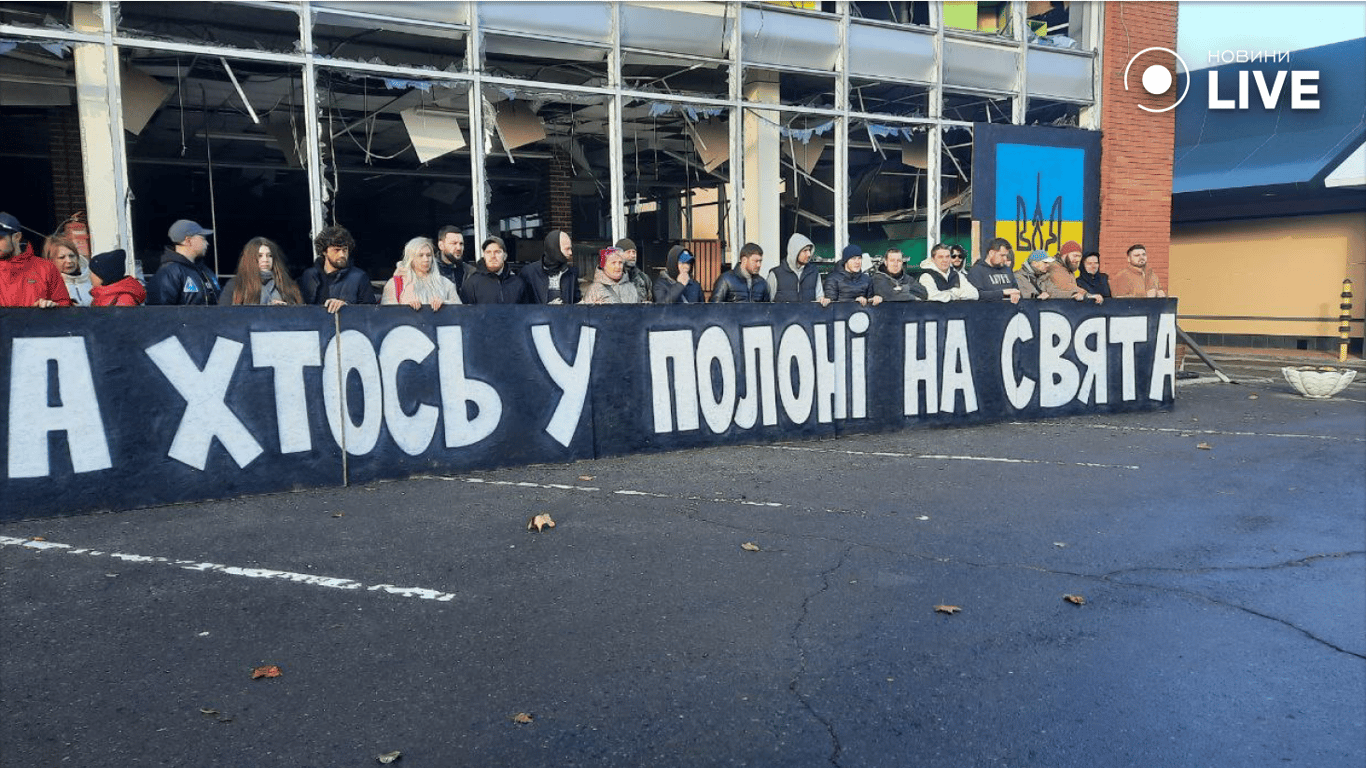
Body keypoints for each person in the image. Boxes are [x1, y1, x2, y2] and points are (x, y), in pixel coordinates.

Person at [299, 225, 376, 313]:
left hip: (347, 322)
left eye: (345, 250)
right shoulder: (309, 275)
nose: (342, 255)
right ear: (324, 251)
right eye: (337, 250)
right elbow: (299, 308)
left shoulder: (359, 277)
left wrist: (346, 307)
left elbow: (371, 312)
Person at [0, 212, 72, 308]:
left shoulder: (46, 268)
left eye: (0, 238)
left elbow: (64, 305)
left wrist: (53, 307)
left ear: (17, 237)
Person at [150, 219, 220, 305]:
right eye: (203, 238)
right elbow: (159, 310)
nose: (207, 243)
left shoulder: (205, 271)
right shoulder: (168, 272)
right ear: (188, 241)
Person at [382, 236, 461, 310]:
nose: (426, 259)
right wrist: (405, 307)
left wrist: (445, 305)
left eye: (429, 255)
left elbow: (460, 312)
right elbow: (385, 314)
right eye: (420, 255)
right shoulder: (394, 285)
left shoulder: (446, 284)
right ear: (411, 258)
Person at [221, 237, 303, 306]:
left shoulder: (287, 285)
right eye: (259, 256)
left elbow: (301, 313)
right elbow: (223, 314)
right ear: (250, 259)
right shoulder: (236, 285)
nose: (265, 260)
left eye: (269, 255)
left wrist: (286, 309)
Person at [461, 236, 528, 304]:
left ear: (505, 256)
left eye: (497, 252)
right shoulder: (472, 283)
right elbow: (466, 310)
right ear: (484, 256)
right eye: (488, 252)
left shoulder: (518, 283)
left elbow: (525, 310)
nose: (493, 256)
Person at [522, 229, 580, 305]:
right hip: (538, 313)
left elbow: (576, 302)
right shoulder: (529, 273)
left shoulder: (571, 273)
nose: (570, 252)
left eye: (571, 248)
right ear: (554, 249)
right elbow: (523, 306)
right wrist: (548, 308)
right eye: (567, 249)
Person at [767, 233, 823, 302]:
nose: (809, 254)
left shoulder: (814, 272)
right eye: (805, 251)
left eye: (809, 250)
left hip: (808, 310)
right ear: (795, 252)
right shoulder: (775, 274)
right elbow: (768, 303)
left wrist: (822, 300)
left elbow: (819, 297)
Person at [968, 237, 1022, 304]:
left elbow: (1015, 288)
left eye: (1006, 255)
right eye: (1002, 255)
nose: (1005, 258)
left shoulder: (1007, 269)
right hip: (986, 309)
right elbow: (976, 295)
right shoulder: (976, 271)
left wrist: (1016, 294)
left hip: (1008, 308)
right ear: (991, 253)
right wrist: (1002, 293)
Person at [44, 235, 93, 306]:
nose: (69, 260)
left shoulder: (94, 278)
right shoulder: (49, 286)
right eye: (62, 257)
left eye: (72, 256)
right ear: (51, 261)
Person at [435, 224, 473, 293]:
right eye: (454, 243)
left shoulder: (469, 271)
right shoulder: (429, 270)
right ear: (441, 245)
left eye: (461, 244)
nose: (459, 248)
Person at [615, 237, 653, 303]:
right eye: (628, 252)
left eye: (634, 252)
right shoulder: (612, 277)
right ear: (619, 254)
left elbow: (650, 300)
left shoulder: (643, 278)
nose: (632, 255)